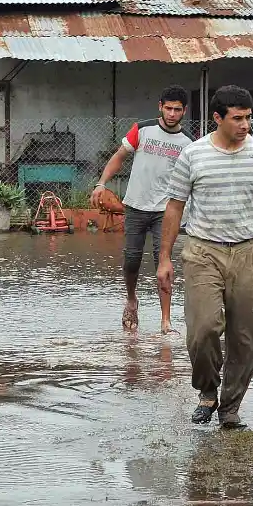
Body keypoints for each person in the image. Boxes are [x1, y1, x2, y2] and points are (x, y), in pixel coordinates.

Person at [157, 85, 253, 429]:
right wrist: (164, 258)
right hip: (202, 250)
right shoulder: (193, 155)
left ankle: (230, 407)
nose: (245, 125)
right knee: (203, 329)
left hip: (248, 251)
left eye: (248, 118)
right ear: (217, 118)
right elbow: (174, 207)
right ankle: (207, 391)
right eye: (237, 118)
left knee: (243, 336)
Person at [91, 85, 193, 334]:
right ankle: (131, 299)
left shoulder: (188, 143)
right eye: (167, 108)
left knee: (164, 262)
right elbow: (119, 156)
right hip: (136, 205)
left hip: (167, 211)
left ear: (184, 111)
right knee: (131, 259)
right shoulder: (142, 129)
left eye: (177, 109)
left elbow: (193, 179)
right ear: (160, 106)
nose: (171, 114)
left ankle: (166, 320)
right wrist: (101, 184)